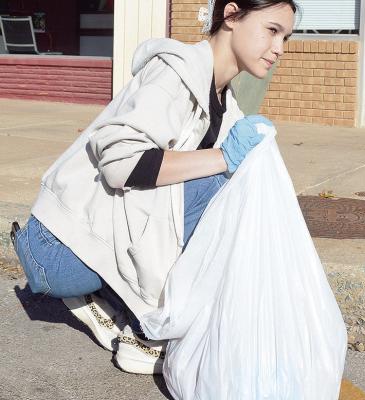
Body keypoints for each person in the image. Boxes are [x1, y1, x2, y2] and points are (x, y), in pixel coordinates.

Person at [11, 0, 296, 375]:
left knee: (242, 185)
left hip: (89, 250)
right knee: (221, 184)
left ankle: (127, 307)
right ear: (230, 15)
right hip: (57, 246)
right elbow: (120, 164)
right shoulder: (174, 74)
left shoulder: (227, 103)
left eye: (286, 37)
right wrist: (225, 158)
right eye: (272, 30)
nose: (279, 48)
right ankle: (145, 333)